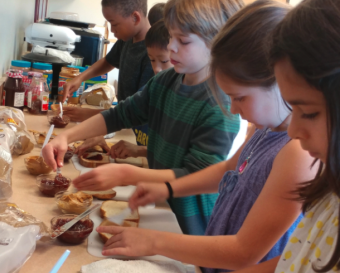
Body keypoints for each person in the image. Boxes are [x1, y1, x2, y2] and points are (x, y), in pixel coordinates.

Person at [97, 1, 316, 273]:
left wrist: (153, 241)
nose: (232, 109)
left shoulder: (296, 152)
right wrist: (167, 189)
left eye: (239, 97)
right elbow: (228, 170)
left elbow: (245, 252)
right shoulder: (266, 129)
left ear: (278, 82)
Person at [42, 0, 245, 236]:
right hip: (158, 202)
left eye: (184, 41)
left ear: (218, 44)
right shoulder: (165, 81)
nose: (172, 47)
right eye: (171, 37)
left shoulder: (220, 105)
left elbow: (198, 175)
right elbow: (122, 113)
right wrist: (66, 136)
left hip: (189, 223)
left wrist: (129, 174)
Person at [61, 0, 154, 123]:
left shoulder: (153, 54)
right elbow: (108, 61)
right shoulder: (127, 39)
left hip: (136, 131)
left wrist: (91, 115)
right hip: (122, 122)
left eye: (114, 24)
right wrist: (79, 78)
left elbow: (139, 109)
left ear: (135, 18)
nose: (112, 30)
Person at [109, 19, 173, 160]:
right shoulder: (156, 86)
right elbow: (121, 114)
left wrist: (139, 152)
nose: (156, 68)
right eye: (151, 59)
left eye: (163, 61)